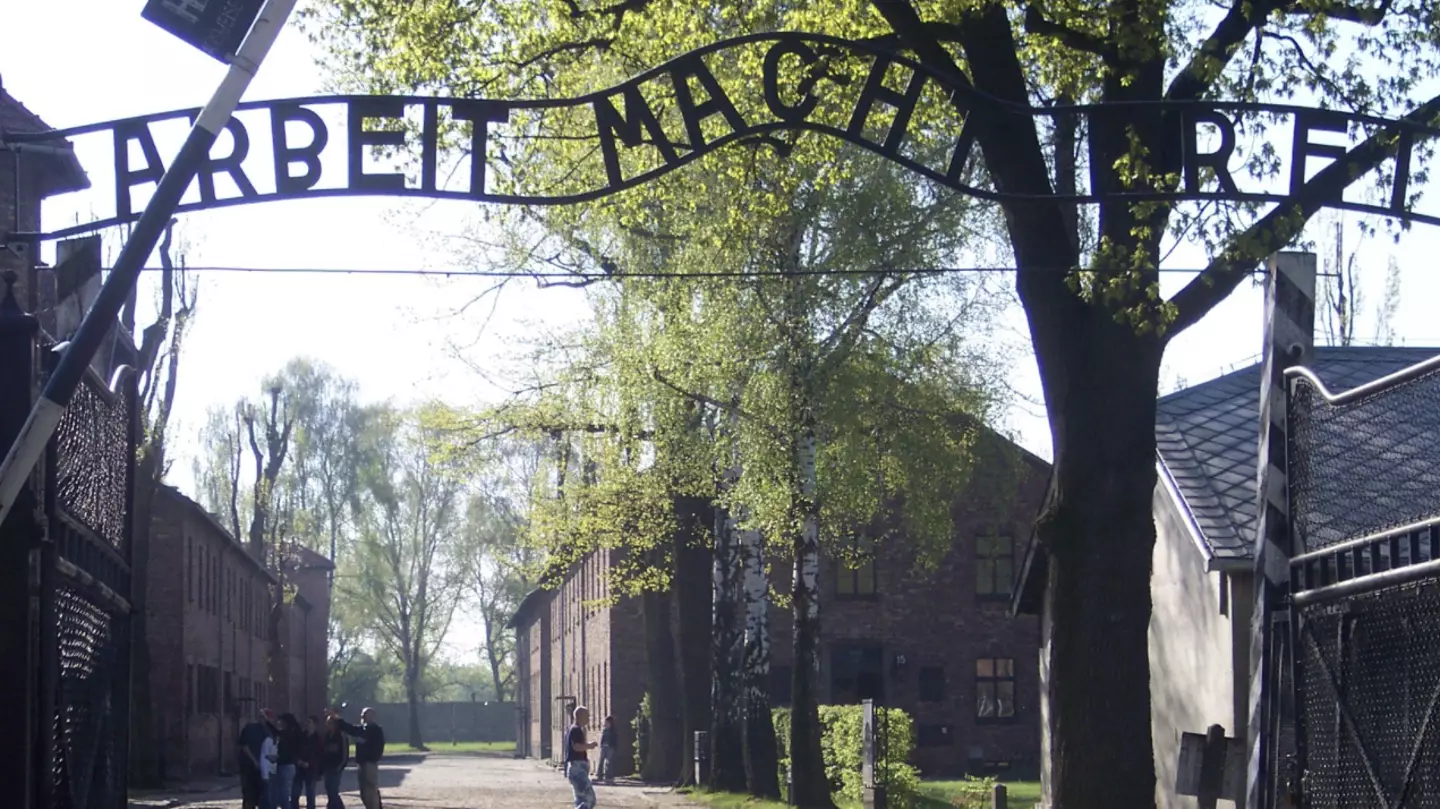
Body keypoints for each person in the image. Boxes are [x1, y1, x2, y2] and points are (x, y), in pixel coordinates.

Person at [327, 706, 385, 809]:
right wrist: (337, 719)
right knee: (364, 792)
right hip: (362, 764)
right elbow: (351, 729)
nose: (362, 716)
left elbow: (378, 748)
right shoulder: (363, 728)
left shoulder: (375, 730)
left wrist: (371, 758)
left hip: (369, 764)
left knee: (370, 791)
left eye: (365, 714)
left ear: (372, 716)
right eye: (362, 714)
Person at [238, 707, 273, 809]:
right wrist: (254, 761)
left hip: (261, 769)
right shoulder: (250, 728)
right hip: (248, 767)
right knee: (249, 795)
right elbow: (244, 746)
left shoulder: (268, 732)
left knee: (260, 795)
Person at [565, 705, 598, 809]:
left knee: (580, 800)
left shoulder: (575, 729)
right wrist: (589, 746)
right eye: (587, 716)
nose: (588, 718)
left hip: (576, 768)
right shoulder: (576, 730)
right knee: (590, 799)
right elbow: (576, 747)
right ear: (580, 716)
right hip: (577, 769)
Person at [292, 716, 325, 809]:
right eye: (306, 722)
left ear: (314, 725)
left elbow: (320, 755)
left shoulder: (318, 739)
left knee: (310, 794)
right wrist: (297, 760)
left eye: (309, 722)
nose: (307, 725)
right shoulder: (301, 737)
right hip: (299, 769)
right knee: (295, 793)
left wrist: (310, 763)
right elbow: (294, 750)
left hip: (311, 770)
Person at [271, 713, 302, 809]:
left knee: (283, 795)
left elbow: (277, 732)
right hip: (285, 765)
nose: (280, 723)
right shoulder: (294, 733)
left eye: (282, 721)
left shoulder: (289, 734)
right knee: (282, 794)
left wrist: (268, 722)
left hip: (286, 765)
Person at [321, 714, 352, 809]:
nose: (328, 725)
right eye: (327, 723)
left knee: (333, 790)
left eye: (330, 723)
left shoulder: (341, 736)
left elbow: (344, 753)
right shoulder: (327, 736)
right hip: (328, 767)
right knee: (328, 789)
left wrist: (341, 766)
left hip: (336, 767)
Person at [597, 716, 617, 784]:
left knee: (609, 762)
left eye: (607, 722)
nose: (606, 724)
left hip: (610, 748)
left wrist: (613, 747)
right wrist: (601, 744)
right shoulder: (605, 730)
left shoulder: (613, 731)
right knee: (601, 761)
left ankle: (609, 777)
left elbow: (615, 740)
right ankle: (599, 776)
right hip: (604, 747)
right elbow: (603, 738)